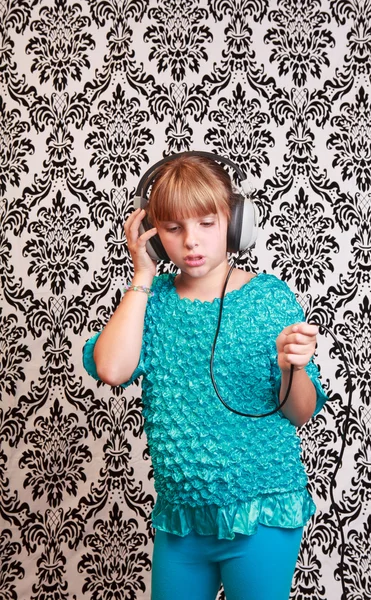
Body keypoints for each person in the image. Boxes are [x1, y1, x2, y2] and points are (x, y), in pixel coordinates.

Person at [82, 153, 328, 600]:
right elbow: (111, 368)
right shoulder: (150, 303)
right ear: (154, 236)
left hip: (261, 513)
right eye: (174, 229)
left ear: (234, 224)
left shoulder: (268, 299)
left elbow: (300, 413)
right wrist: (142, 274)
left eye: (207, 224)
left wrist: (291, 366)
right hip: (182, 520)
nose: (191, 241)